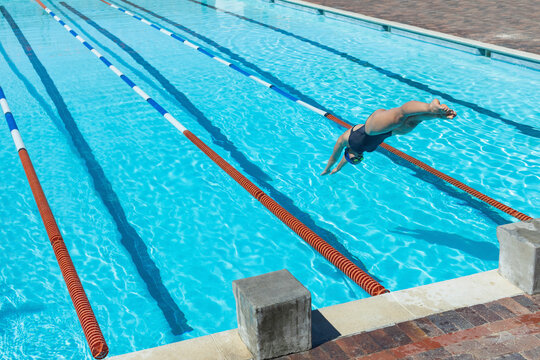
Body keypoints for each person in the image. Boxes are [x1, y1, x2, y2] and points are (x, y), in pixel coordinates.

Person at [321, 99, 456, 175]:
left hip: (371, 128)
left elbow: (335, 157)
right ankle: (439, 114)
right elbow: (347, 160)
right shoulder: (359, 151)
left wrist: (328, 168)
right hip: (389, 132)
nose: (358, 158)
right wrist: (338, 169)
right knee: (411, 122)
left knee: (400, 116)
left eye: (354, 159)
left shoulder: (344, 141)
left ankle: (430, 107)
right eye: (359, 159)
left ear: (347, 154)